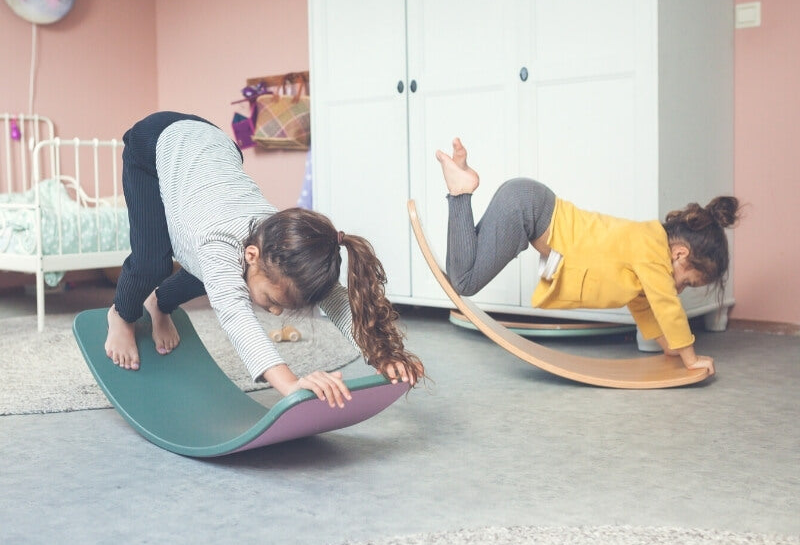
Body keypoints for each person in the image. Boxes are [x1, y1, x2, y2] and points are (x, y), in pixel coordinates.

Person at [105, 111, 424, 407]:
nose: (274, 311)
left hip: (215, 147)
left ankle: (158, 304)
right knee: (152, 263)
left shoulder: (284, 244)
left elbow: (338, 303)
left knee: (221, 276)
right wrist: (290, 384)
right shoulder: (219, 245)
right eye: (272, 300)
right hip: (154, 143)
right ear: (252, 255)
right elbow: (236, 317)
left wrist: (381, 354)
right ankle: (121, 315)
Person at [436, 137, 741, 375]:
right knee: (464, 281)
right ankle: (460, 191)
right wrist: (690, 356)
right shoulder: (652, 250)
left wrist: (668, 347)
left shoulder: (645, 252)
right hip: (528, 208)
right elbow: (667, 306)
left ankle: (460, 185)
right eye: (687, 281)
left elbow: (645, 308)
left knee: (463, 271)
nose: (679, 289)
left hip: (527, 202)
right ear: (680, 254)